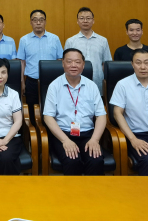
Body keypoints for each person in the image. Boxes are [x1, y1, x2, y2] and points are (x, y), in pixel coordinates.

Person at [43, 48, 107, 176]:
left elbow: (101, 115)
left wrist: (95, 139)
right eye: (69, 61)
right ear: (63, 64)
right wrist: (65, 140)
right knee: (72, 160)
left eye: (77, 62)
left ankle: (92, 189)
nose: (73, 65)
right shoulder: (54, 86)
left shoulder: (91, 86)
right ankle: (73, 190)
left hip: (87, 134)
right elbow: (48, 117)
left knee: (95, 160)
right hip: (62, 134)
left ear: (83, 65)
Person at [17, 10, 63, 110]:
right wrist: (22, 82)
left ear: (45, 22)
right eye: (35, 20)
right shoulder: (24, 40)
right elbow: (22, 63)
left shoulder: (55, 39)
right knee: (32, 110)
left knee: (52, 109)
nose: (38, 23)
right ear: (31, 22)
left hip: (52, 82)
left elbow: (60, 60)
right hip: (31, 82)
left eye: (41, 20)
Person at [64, 7, 112, 94]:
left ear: (93, 21)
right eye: (82, 18)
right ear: (77, 21)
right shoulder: (70, 41)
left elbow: (106, 63)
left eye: (88, 18)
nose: (85, 21)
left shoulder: (103, 40)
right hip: (76, 82)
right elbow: (66, 63)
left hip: (98, 82)